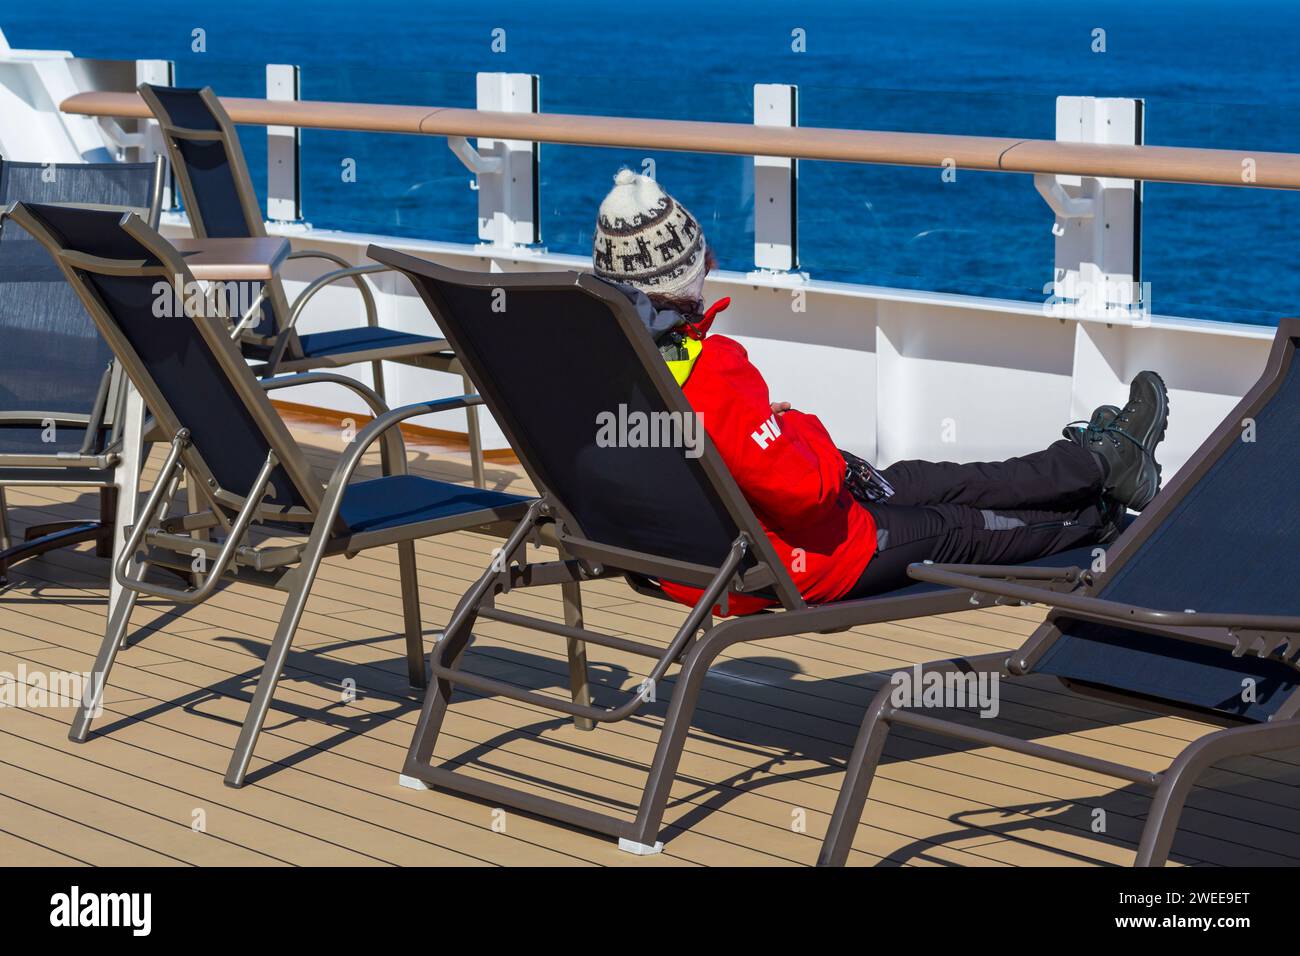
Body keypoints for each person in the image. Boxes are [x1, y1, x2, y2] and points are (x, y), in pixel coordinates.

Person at [590, 169, 1169, 614]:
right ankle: (1099, 517)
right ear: (690, 274)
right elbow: (803, 492)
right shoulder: (711, 370)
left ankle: (1098, 461)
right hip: (793, 560)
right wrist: (794, 427)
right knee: (961, 524)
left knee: (935, 478)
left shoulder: (598, 363)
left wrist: (758, 430)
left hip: (696, 555)